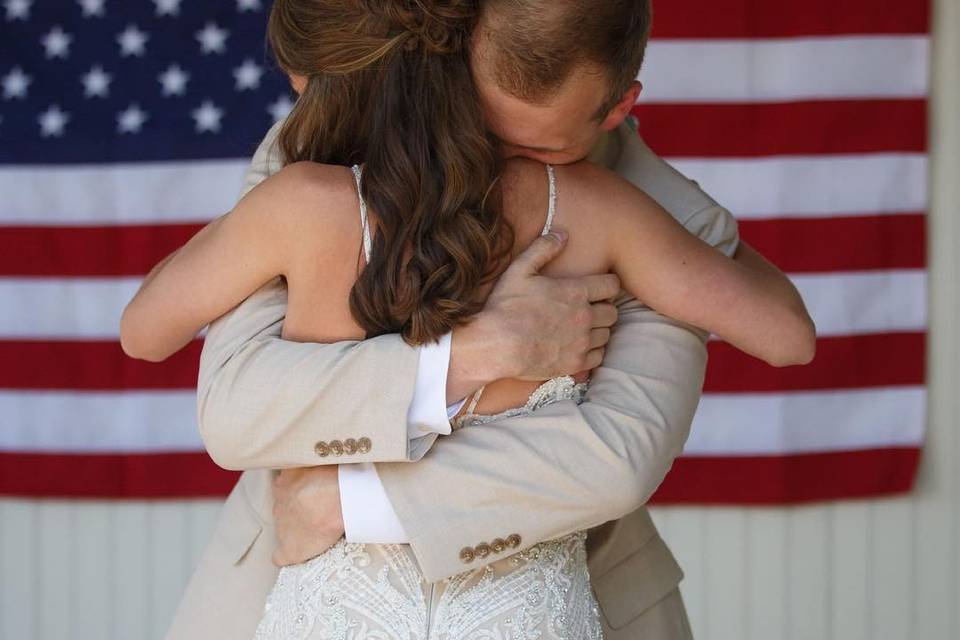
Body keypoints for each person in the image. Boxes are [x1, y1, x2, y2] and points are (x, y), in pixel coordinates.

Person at [123, 1, 814, 638]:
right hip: (289, 576)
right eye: (486, 120)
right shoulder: (314, 150)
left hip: (548, 599)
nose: (499, 158)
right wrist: (465, 356)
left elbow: (615, 461)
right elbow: (236, 409)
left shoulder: (642, 205)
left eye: (542, 150)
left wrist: (352, 503)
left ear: (614, 107)